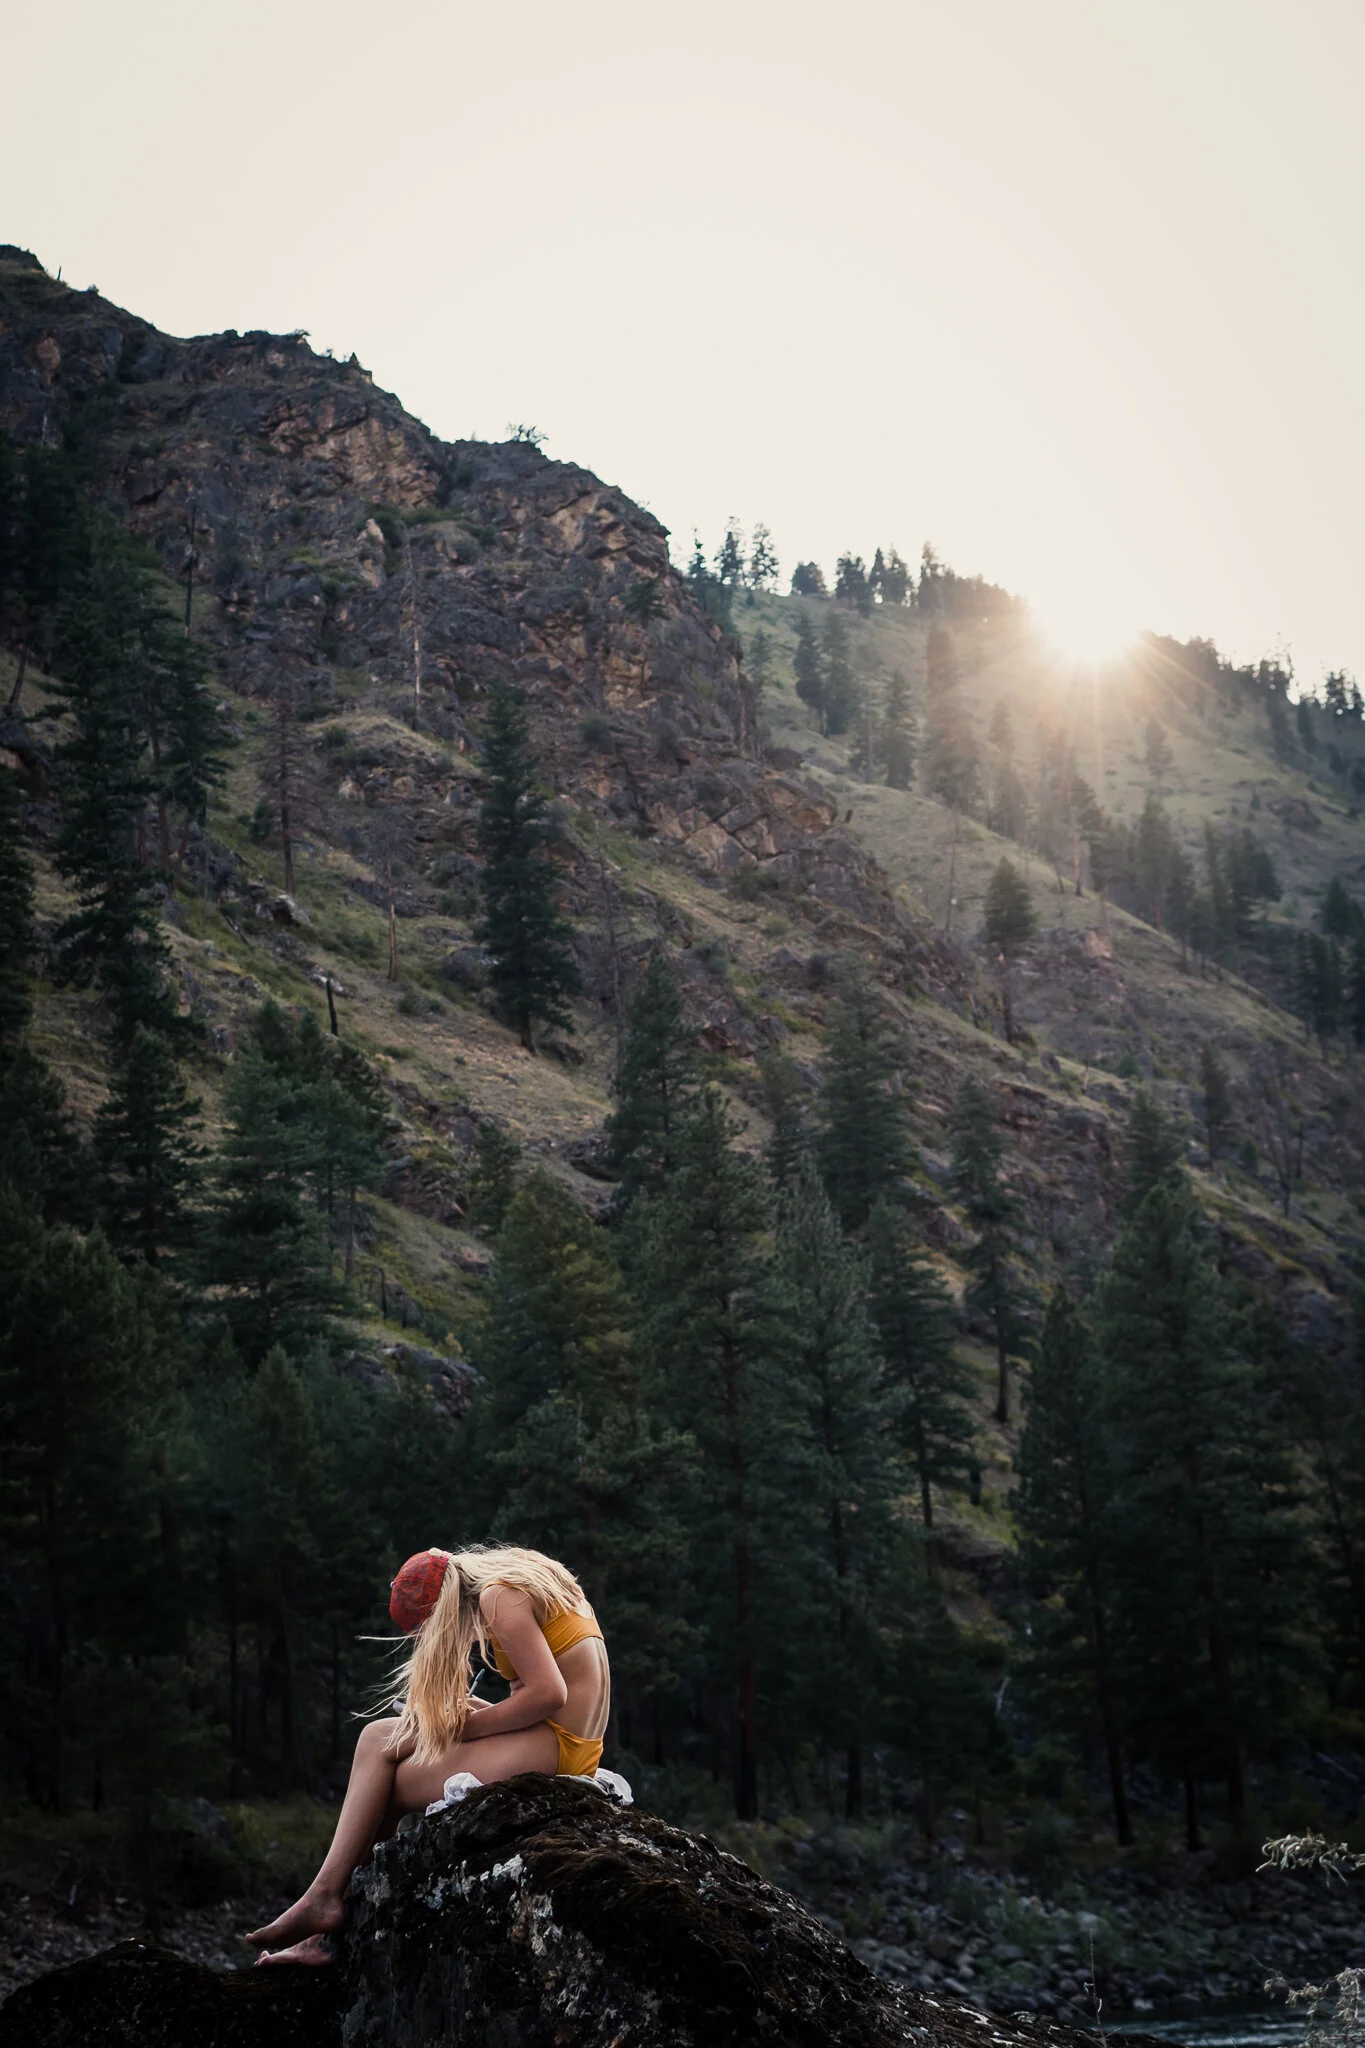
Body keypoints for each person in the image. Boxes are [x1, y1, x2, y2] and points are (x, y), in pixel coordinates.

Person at [247, 1543, 610, 1965]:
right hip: (563, 1740)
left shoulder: (497, 1597)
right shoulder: (527, 1576)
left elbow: (549, 1694)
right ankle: (325, 1902)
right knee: (376, 1736)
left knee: (389, 1784)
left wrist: (462, 1726)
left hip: (557, 1746)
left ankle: (328, 1914)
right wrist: (475, 1714)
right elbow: (558, 1690)